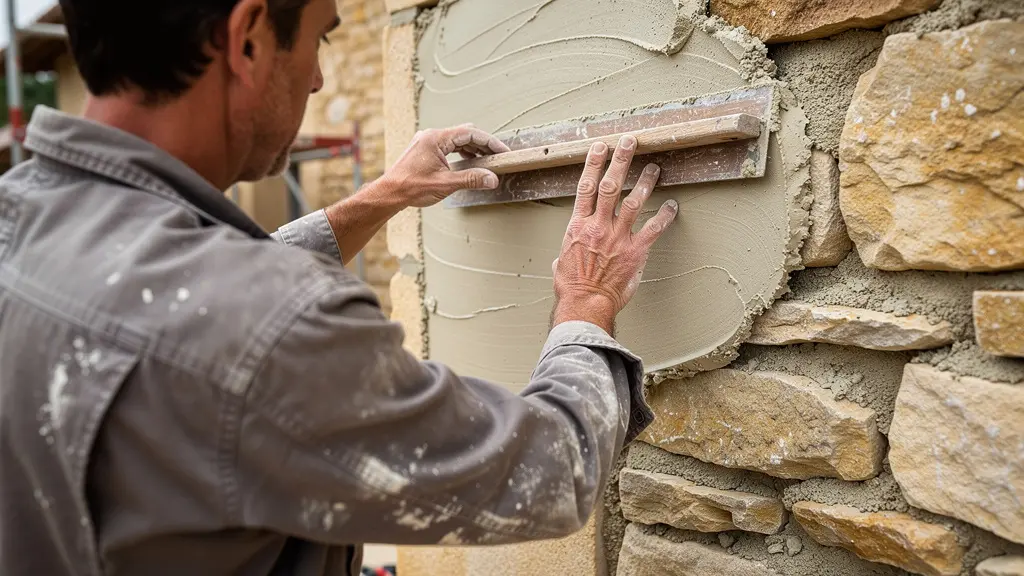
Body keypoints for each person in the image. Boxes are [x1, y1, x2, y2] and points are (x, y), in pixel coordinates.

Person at [0, 0, 679, 574]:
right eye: (320, 39)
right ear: (248, 39)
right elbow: (552, 471)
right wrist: (587, 302)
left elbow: (174, 299)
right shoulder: (267, 325)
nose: (320, 79)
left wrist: (380, 197)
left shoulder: (18, 217)